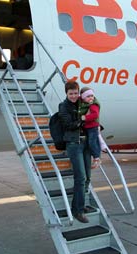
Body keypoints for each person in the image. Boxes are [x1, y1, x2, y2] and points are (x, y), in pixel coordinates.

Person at [58, 81, 91, 223]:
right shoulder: (63, 106)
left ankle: (81, 205)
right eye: (71, 93)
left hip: (85, 143)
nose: (74, 96)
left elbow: (93, 109)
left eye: (76, 93)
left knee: (87, 177)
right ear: (66, 93)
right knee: (80, 178)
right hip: (73, 144)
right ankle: (77, 210)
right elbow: (68, 125)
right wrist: (83, 120)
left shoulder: (81, 103)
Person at [79, 87, 102, 169]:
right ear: (83, 98)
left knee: (92, 142)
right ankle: (96, 157)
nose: (91, 98)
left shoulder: (93, 105)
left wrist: (85, 118)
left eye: (92, 96)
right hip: (88, 127)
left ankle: (97, 158)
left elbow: (95, 115)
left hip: (93, 127)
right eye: (88, 96)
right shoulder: (85, 103)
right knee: (92, 142)